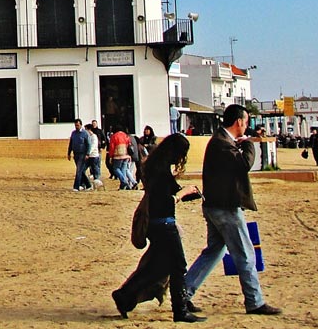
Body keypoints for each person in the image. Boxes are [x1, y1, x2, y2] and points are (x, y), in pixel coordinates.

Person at [183, 104, 281, 316]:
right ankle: (255, 302)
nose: (246, 126)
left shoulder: (221, 140)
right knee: (245, 253)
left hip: (215, 206)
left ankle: (183, 293)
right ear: (239, 121)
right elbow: (244, 164)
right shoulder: (221, 143)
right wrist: (249, 144)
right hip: (225, 207)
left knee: (214, 252)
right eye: (245, 122)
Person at [112, 132, 202, 323]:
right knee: (178, 266)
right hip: (164, 225)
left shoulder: (155, 166)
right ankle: (180, 310)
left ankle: (124, 296)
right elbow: (165, 200)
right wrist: (181, 195)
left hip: (155, 224)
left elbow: (170, 190)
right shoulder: (160, 170)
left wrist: (189, 193)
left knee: (156, 267)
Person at [68, 119, 90, 191]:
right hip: (76, 154)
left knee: (78, 171)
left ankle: (76, 186)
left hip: (82, 154)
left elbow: (88, 144)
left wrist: (87, 154)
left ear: (81, 125)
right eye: (75, 125)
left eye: (77, 125)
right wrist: (69, 153)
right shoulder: (73, 133)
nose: (76, 127)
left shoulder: (85, 133)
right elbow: (71, 143)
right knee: (81, 171)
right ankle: (88, 185)